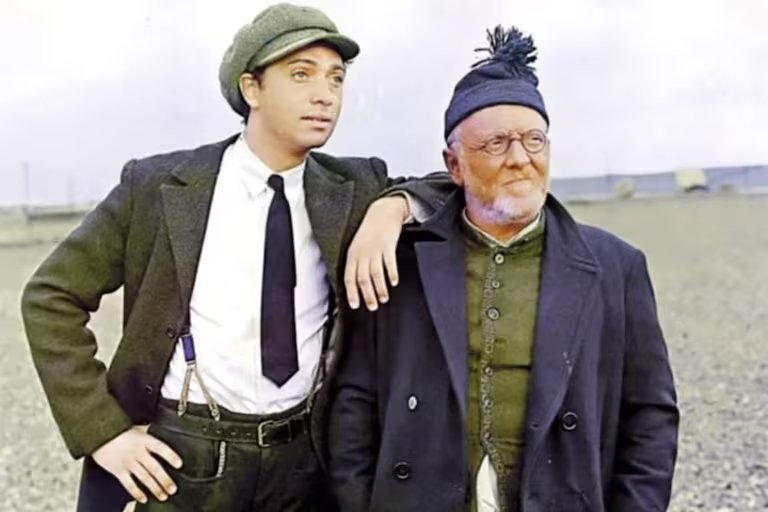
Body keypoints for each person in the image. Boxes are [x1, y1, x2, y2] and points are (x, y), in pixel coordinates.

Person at [20, 3, 445, 511]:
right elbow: (50, 297)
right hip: (182, 455)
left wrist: (393, 207)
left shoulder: (355, 187)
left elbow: (449, 188)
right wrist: (104, 433)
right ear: (252, 89)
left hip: (303, 460)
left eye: (336, 78)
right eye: (302, 74)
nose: (325, 95)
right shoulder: (158, 187)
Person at [329, 26, 679, 512]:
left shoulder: (616, 267)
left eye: (534, 140)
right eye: (496, 144)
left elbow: (650, 418)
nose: (520, 159)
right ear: (454, 165)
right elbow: (354, 402)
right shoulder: (400, 262)